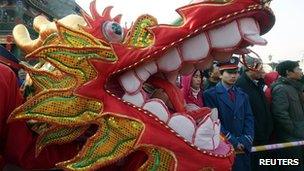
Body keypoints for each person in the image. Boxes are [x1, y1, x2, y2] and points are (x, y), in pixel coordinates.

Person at [204, 56, 254, 171]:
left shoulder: (243, 94)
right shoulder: (210, 94)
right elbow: (214, 122)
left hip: (243, 145)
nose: (233, 76)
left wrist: (246, 138)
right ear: (221, 74)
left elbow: (249, 117)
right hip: (224, 146)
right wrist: (232, 140)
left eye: (236, 72)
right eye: (229, 72)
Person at [236, 55, 273, 171]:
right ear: (250, 68)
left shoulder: (256, 83)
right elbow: (247, 115)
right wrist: (258, 132)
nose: (262, 71)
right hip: (255, 137)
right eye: (260, 67)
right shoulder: (241, 86)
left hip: (264, 133)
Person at [271, 60, 304, 171]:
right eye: (298, 69)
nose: (301, 71)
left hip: (299, 135)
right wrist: (293, 130)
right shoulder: (281, 89)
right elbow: (280, 113)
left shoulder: (295, 87)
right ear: (288, 72)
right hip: (290, 138)